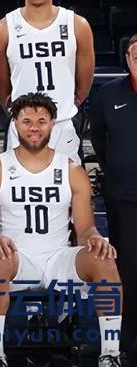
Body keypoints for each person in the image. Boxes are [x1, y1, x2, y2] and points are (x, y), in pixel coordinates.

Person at [0, 92, 123, 367]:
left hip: (59, 257)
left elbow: (85, 229)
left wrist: (96, 238)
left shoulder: (71, 170)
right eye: (27, 121)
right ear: (15, 124)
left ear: (53, 123)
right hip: (18, 258)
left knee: (104, 259)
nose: (34, 128)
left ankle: (110, 354)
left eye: (41, 121)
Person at [0, 0, 95, 164]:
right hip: (23, 126)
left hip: (62, 124)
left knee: (68, 184)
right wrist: (16, 111)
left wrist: (69, 103)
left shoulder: (77, 25)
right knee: (18, 184)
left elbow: (84, 83)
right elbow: (0, 83)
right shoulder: (3, 28)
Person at [90, 34, 137, 357]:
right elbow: (98, 138)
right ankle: (127, 338)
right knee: (128, 268)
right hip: (124, 196)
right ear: (127, 60)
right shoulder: (108, 95)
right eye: (136, 55)